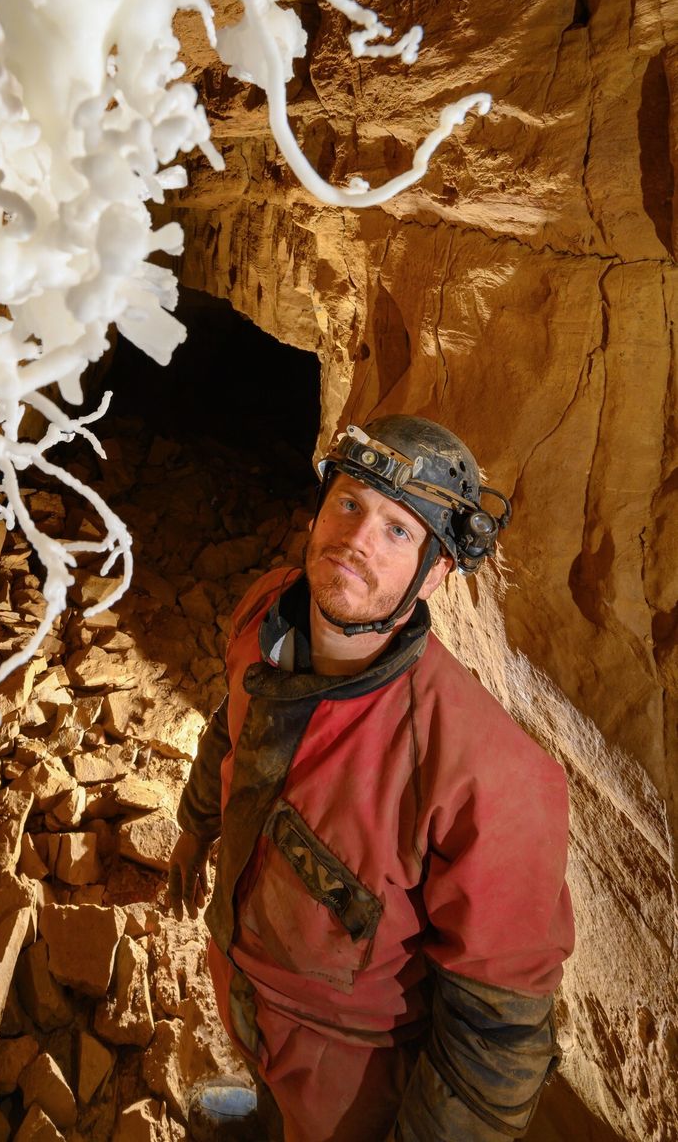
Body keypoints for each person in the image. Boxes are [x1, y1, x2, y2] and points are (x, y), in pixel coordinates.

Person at [168, 415, 575, 1142]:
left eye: (397, 530)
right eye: (350, 504)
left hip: (348, 1090)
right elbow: (229, 729)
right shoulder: (269, 610)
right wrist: (197, 826)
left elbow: (494, 1042)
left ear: (437, 571)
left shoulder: (486, 775)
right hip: (258, 1011)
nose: (357, 539)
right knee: (269, 1102)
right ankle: (265, 1106)